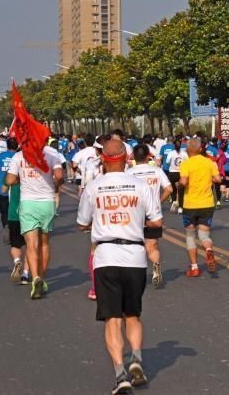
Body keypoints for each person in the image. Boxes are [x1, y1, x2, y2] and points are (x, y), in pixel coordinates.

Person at [77, 139, 162, 394]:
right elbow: (156, 222)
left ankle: (120, 374)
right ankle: (136, 359)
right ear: (127, 159)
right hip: (135, 255)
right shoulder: (140, 186)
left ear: (103, 159)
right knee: (133, 314)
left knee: (112, 318)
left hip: (106, 257)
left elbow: (82, 223)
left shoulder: (93, 187)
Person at [5, 143, 64, 299]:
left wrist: (21, 178)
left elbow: (9, 180)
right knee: (44, 242)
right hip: (47, 202)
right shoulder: (52, 155)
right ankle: (42, 278)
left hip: (28, 203)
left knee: (31, 243)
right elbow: (59, 176)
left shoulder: (19, 156)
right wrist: (55, 186)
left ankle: (35, 277)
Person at [127, 144, 173, 288]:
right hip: (154, 213)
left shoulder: (129, 173)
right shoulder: (157, 171)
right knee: (152, 246)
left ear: (133, 156)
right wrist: (158, 201)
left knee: (134, 246)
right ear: (148, 156)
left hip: (135, 214)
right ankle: (156, 266)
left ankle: (135, 276)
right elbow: (169, 189)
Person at [179, 138, 222, 277]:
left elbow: (184, 182)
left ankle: (194, 267)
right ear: (200, 149)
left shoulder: (186, 164)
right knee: (204, 235)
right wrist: (210, 179)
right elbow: (218, 180)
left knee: (190, 235)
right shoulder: (209, 162)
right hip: (207, 203)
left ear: (187, 150)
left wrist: (178, 184)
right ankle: (208, 249)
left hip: (190, 204)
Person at [0, 138, 21, 274]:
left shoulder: (0, 156)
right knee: (17, 210)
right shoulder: (19, 157)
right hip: (17, 189)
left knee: (4, 212)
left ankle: (7, 227)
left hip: (2, 188)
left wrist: (0, 173)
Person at [166, 138, 188, 214]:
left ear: (174, 145)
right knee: (181, 191)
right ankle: (181, 208)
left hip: (172, 173)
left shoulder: (171, 153)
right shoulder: (184, 153)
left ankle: (174, 200)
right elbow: (188, 162)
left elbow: (167, 162)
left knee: (173, 190)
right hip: (182, 173)